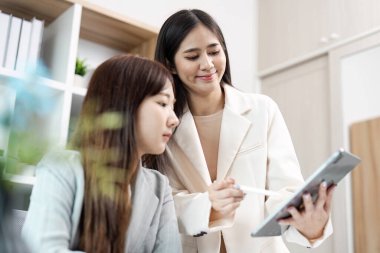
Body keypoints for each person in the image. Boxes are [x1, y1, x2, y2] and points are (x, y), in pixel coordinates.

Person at [153, 9, 335, 253]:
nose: (207, 64)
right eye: (193, 56)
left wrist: (309, 226)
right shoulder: (165, 124)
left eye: (214, 52)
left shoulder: (263, 110)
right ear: (170, 65)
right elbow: (165, 203)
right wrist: (209, 205)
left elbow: (285, 191)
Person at [21, 55, 182, 253]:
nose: (174, 119)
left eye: (173, 106)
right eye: (163, 104)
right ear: (124, 104)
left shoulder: (160, 187)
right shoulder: (61, 167)